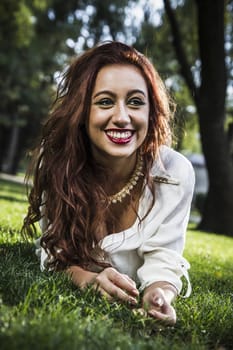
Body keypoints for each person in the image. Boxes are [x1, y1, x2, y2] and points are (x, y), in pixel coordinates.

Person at [22, 41, 195, 325]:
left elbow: (165, 259)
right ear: (82, 110)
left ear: (151, 112)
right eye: (105, 101)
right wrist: (86, 278)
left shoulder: (174, 173)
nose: (122, 117)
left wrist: (158, 293)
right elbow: (54, 253)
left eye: (136, 102)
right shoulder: (57, 165)